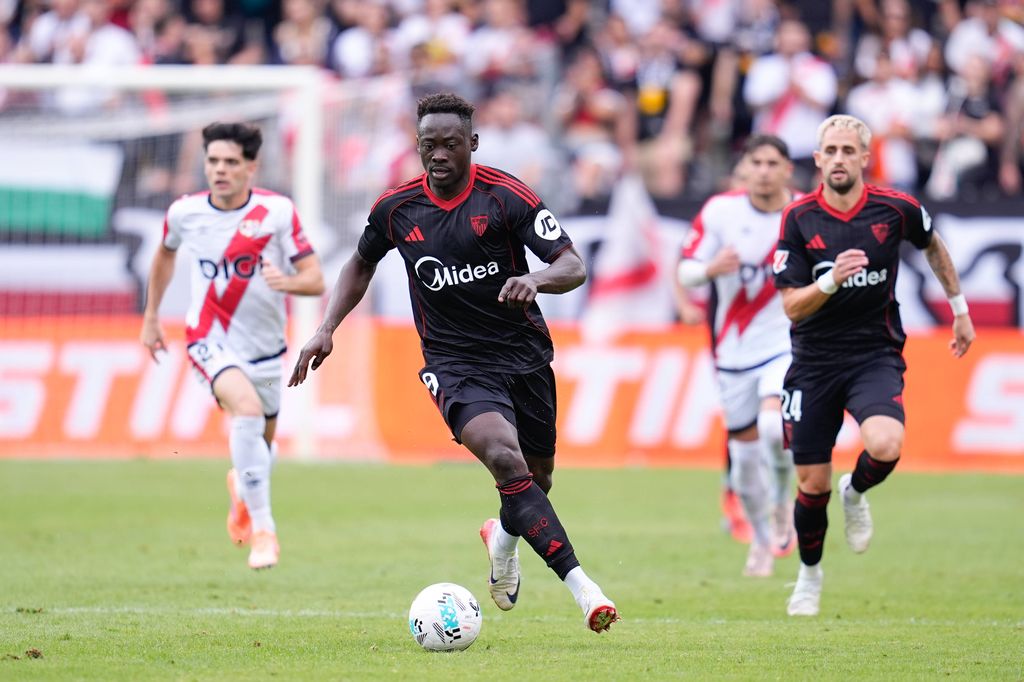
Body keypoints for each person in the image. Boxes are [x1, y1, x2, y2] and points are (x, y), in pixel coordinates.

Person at [289, 92, 619, 633]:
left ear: (473, 144)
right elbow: (360, 262)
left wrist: (534, 279)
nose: (437, 154)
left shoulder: (506, 196)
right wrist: (326, 328)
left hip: (523, 355)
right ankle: (586, 591)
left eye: (449, 144)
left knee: (537, 478)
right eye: (427, 144)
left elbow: (572, 265)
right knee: (505, 459)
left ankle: (503, 540)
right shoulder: (396, 208)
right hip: (454, 362)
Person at [773, 115, 975, 616]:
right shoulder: (798, 218)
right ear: (817, 159)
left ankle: (856, 490)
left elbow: (934, 247)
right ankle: (810, 575)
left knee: (885, 444)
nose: (839, 159)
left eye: (848, 150)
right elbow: (791, 306)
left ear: (866, 158)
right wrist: (830, 281)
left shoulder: (896, 208)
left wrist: (961, 310)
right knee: (810, 486)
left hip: (873, 353)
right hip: (813, 363)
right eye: (830, 151)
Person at [140, 122, 325, 571]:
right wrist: (151, 317)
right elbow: (164, 253)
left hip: (264, 347)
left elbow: (316, 279)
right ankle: (265, 531)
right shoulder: (185, 213)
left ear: (250, 167)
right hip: (208, 338)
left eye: (230, 162)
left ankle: (243, 489)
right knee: (244, 409)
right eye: (213, 161)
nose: (219, 170)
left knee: (261, 447)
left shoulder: (277, 212)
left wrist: (289, 282)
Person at [677, 134, 799, 578]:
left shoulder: (802, 212)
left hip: (785, 346)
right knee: (744, 460)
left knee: (773, 425)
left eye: (773, 162)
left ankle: (784, 501)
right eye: (756, 162)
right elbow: (686, 268)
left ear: (788, 169)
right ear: (745, 168)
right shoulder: (720, 211)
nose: (764, 170)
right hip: (732, 352)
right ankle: (762, 543)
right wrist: (710, 269)